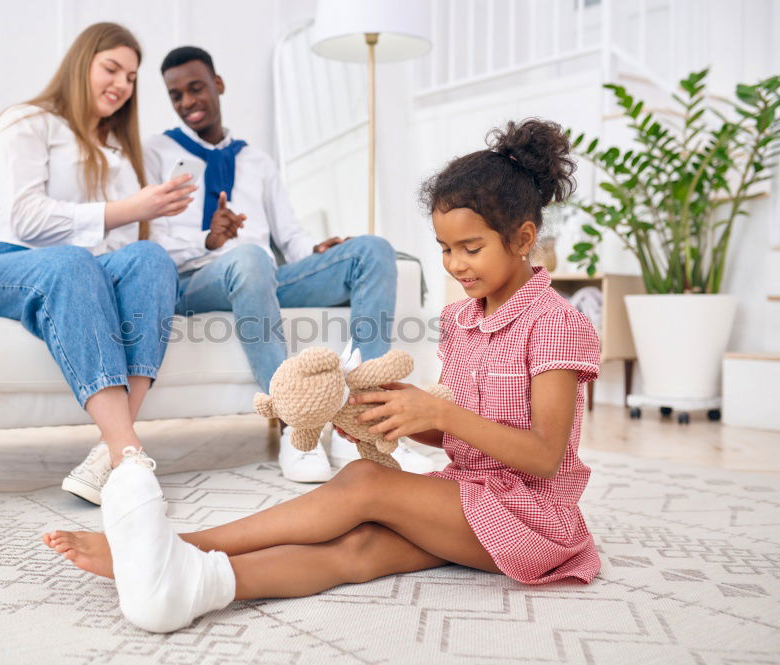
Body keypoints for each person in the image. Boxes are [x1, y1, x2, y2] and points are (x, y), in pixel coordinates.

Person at [42, 118, 603, 633]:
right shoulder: (461, 318)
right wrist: (398, 419)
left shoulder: (554, 324)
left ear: (524, 239)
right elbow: (464, 436)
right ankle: (191, 585)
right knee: (356, 549)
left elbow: (543, 455)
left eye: (470, 248)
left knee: (364, 484)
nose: (455, 264)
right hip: (471, 497)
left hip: (532, 519)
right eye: (444, 248)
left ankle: (171, 546)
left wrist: (438, 412)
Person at [144, 46, 437, 482]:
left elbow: (290, 236)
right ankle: (296, 426)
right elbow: (153, 241)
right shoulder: (155, 152)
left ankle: (364, 423)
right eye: (176, 95)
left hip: (263, 276)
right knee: (248, 256)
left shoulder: (257, 160)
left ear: (217, 85)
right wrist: (210, 238)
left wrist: (320, 252)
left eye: (195, 88)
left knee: (373, 249)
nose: (187, 102)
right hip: (199, 279)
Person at [0, 23, 197, 506]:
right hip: (2, 263)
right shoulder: (26, 122)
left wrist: (181, 228)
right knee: (72, 262)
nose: (121, 84)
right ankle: (128, 449)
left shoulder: (116, 151)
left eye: (132, 77)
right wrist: (134, 208)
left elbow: (116, 246)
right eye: (111, 68)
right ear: (81, 64)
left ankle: (111, 452)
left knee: (150, 258)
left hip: (81, 271)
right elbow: (26, 220)